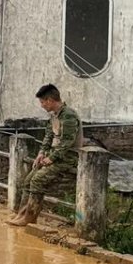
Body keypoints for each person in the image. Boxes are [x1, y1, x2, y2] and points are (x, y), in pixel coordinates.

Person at [9, 84, 82, 226]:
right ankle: (21, 214)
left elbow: (67, 141)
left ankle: (30, 218)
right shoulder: (54, 115)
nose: (42, 106)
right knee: (28, 181)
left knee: (37, 181)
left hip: (67, 158)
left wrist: (52, 158)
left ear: (50, 100)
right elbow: (48, 136)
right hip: (53, 156)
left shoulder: (69, 115)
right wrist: (41, 153)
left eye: (42, 102)